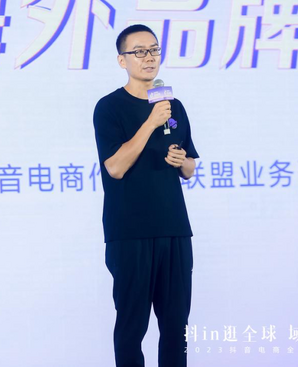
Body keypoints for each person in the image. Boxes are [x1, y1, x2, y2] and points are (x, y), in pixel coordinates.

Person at [93, 24, 200, 367]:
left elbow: (190, 166)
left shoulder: (173, 106)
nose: (149, 57)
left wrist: (182, 161)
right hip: (130, 232)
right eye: (139, 51)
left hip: (174, 229)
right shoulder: (109, 107)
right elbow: (115, 167)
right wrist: (151, 123)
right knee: (132, 326)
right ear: (122, 60)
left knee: (176, 327)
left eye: (154, 50)